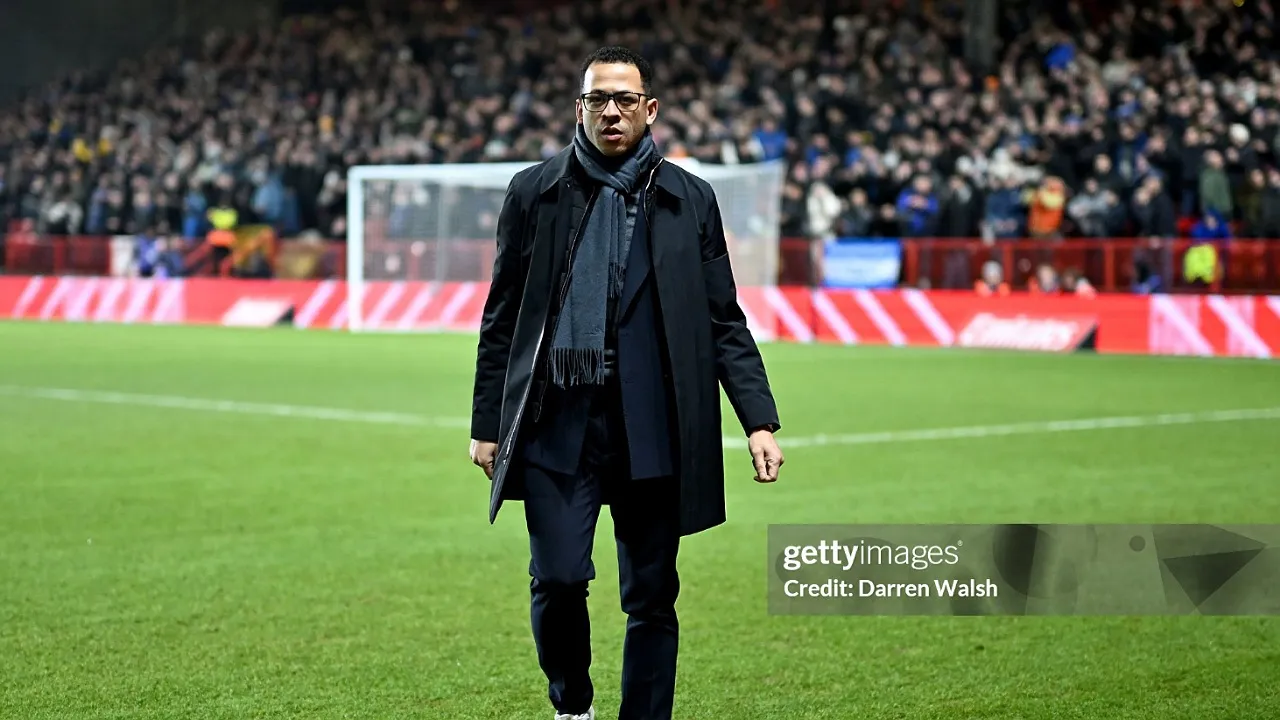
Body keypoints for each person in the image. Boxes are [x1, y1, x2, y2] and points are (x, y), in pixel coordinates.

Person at [468, 46, 784, 720]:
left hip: (653, 421)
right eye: (597, 100)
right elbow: (502, 316)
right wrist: (486, 423)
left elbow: (722, 317)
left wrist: (757, 418)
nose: (611, 111)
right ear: (578, 109)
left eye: (625, 100)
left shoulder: (688, 200)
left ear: (650, 110)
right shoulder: (535, 192)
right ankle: (572, 703)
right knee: (555, 579)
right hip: (558, 420)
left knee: (651, 596)